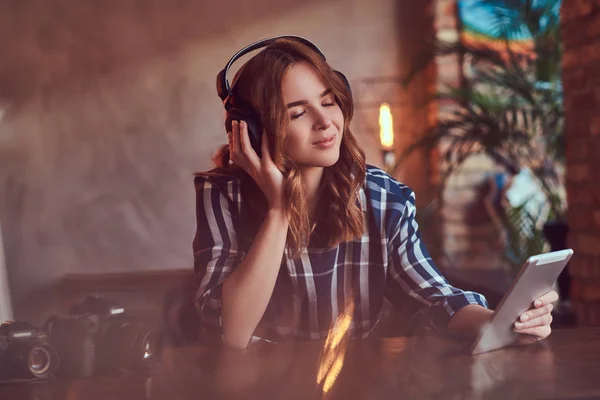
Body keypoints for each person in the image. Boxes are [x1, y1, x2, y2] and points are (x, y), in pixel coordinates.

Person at [193, 36, 557, 349]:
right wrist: (279, 210)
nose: (325, 122)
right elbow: (231, 332)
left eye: (328, 101)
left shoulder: (382, 196)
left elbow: (434, 297)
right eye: (297, 113)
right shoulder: (224, 196)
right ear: (254, 131)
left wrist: (498, 323)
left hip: (352, 386)